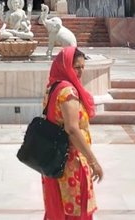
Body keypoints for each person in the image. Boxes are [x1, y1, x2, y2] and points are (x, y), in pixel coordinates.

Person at [42, 46, 102, 220]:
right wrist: (94, 162)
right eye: (76, 67)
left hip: (55, 161)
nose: (80, 71)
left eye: (83, 67)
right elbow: (72, 129)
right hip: (71, 163)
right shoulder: (68, 92)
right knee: (75, 212)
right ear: (66, 65)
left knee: (60, 211)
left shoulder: (53, 87)